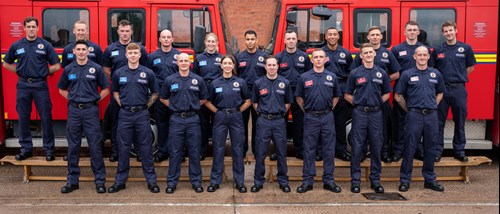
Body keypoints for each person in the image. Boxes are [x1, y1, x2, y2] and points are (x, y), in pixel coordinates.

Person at [3, 16, 61, 161]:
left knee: (46, 118)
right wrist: (19, 72)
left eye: (33, 26)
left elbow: (56, 65)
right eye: (28, 26)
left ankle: (49, 150)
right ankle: (26, 149)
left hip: (40, 85)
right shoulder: (17, 45)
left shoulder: (45, 45)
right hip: (23, 85)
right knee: (23, 117)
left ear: (38, 28)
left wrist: (45, 73)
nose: (31, 29)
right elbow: (6, 63)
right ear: (24, 28)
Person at [57, 40, 109, 194]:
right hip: (74, 112)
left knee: (95, 147)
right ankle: (72, 181)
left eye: (83, 49)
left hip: (91, 112)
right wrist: (74, 99)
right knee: (73, 147)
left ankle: (100, 181)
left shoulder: (96, 68)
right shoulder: (68, 69)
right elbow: (61, 89)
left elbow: (106, 88)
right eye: (78, 49)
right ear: (74, 51)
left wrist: (94, 100)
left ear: (88, 51)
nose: (80, 52)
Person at [108, 43, 160, 193]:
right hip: (124, 114)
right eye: (130, 53)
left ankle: (151, 181)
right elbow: (115, 92)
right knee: (123, 148)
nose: (132, 55)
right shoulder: (119, 73)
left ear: (139, 55)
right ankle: (120, 181)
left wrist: (145, 107)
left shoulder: (148, 73)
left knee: (145, 148)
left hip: (142, 114)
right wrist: (122, 105)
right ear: (126, 55)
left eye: (135, 53)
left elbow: (155, 93)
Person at [394, 46, 445, 192]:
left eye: (424, 55)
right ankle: (405, 180)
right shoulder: (407, 74)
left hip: (431, 115)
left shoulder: (436, 74)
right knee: (409, 147)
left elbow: (440, 93)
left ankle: (429, 179)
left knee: (430, 148)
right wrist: (409, 110)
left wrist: (432, 106)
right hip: (414, 115)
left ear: (428, 57)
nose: (422, 57)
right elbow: (398, 96)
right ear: (414, 57)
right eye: (419, 55)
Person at [345, 43, 392, 193]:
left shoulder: (382, 73)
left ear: (374, 54)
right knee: (357, 147)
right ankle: (356, 180)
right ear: (361, 55)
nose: (368, 55)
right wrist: (358, 104)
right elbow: (347, 94)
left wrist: (378, 103)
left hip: (376, 113)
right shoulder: (355, 73)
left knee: (376, 146)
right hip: (360, 113)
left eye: (371, 52)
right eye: (365, 53)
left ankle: (375, 180)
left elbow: (387, 93)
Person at [102, 19, 150, 162]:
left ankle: (139, 152)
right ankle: (116, 152)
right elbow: (106, 69)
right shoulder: (110, 49)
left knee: (138, 125)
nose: (124, 34)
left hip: (137, 93)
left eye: (127, 31)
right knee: (116, 122)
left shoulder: (139, 49)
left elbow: (146, 69)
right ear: (118, 32)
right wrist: (120, 82)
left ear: (131, 32)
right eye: (122, 31)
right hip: (118, 92)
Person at [295, 49, 342, 193]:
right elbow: (299, 98)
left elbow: (336, 96)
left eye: (321, 57)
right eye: (316, 57)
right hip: (310, 117)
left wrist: (328, 110)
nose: (319, 59)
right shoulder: (304, 77)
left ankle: (329, 180)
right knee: (309, 150)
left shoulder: (332, 77)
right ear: (312, 60)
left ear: (326, 59)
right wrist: (309, 112)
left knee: (329, 149)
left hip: (327, 117)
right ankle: (307, 181)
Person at [161, 53, 208, 194]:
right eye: (180, 61)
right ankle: (172, 183)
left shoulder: (198, 80)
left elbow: (204, 98)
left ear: (190, 63)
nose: (183, 63)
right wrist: (174, 106)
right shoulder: (170, 80)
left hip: (193, 119)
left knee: (194, 151)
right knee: (175, 152)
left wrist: (193, 105)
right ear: (177, 63)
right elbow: (163, 98)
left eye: (185, 61)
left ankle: (196, 182)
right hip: (176, 119)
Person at [352, 26, 401, 163]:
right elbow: (353, 73)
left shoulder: (387, 54)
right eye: (372, 35)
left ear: (381, 37)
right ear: (368, 37)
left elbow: (397, 73)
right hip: (365, 99)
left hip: (381, 99)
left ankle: (384, 152)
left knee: (382, 128)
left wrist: (381, 81)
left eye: (377, 34)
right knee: (361, 130)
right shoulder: (361, 53)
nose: (374, 37)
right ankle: (361, 153)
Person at [205, 55, 251, 193]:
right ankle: (215, 181)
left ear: (233, 66)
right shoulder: (215, 83)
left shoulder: (240, 82)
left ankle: (239, 182)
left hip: (236, 117)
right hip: (220, 117)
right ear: (221, 65)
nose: (227, 65)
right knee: (218, 149)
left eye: (229, 63)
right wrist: (218, 112)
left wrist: (237, 111)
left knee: (237, 150)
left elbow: (248, 100)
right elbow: (207, 101)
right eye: (224, 63)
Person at [391, 21, 433, 162]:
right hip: (401, 90)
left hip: (420, 90)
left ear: (418, 32)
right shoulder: (397, 49)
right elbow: (393, 70)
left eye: (415, 30)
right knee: (399, 121)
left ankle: (418, 150)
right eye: (409, 30)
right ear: (405, 32)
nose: (412, 32)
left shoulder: (424, 49)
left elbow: (430, 69)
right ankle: (397, 150)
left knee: (419, 123)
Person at [435, 21, 476, 162]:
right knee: (439, 122)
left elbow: (471, 67)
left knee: (460, 121)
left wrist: (460, 77)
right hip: (442, 90)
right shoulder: (439, 50)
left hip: (459, 89)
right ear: (443, 33)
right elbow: (434, 70)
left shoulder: (465, 48)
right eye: (445, 31)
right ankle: (437, 151)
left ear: (456, 30)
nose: (448, 33)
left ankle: (459, 151)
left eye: (450, 30)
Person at [250, 56, 292, 193]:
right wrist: (264, 114)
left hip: (279, 121)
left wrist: (279, 114)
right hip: (263, 121)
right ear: (265, 67)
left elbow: (288, 102)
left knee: (281, 152)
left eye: (274, 65)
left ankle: (283, 181)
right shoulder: (258, 83)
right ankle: (258, 181)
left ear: (278, 67)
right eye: (269, 65)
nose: (272, 67)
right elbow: (255, 102)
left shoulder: (285, 83)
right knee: (260, 153)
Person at [275, 29, 312, 160]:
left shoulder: (305, 57)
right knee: (280, 123)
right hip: (282, 94)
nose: (291, 41)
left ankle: (300, 150)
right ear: (284, 40)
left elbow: (309, 76)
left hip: (299, 93)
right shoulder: (278, 57)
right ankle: (279, 151)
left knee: (299, 123)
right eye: (288, 38)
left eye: (293, 38)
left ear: (297, 40)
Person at [149, 29, 181, 163]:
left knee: (177, 125)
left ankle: (177, 152)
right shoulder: (153, 56)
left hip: (176, 96)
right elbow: (149, 76)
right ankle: (162, 152)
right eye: (164, 37)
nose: (166, 39)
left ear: (173, 39)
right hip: (160, 96)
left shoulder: (179, 56)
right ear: (160, 40)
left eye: (169, 37)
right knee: (162, 125)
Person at [322, 27, 354, 162]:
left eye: (335, 34)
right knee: (323, 123)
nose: (332, 37)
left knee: (340, 122)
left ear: (338, 36)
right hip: (324, 90)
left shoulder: (345, 53)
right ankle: (322, 151)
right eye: (330, 34)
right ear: (326, 37)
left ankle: (340, 151)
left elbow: (351, 73)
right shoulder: (321, 53)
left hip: (340, 90)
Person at [236, 30, 269, 156]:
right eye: (248, 39)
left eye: (252, 39)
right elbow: (236, 76)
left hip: (259, 95)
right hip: (243, 95)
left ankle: (257, 150)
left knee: (258, 123)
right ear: (245, 41)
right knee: (241, 123)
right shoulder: (239, 57)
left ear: (257, 40)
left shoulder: (264, 57)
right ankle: (242, 150)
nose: (250, 41)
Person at [193, 33, 224, 160]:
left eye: (213, 42)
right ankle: (202, 150)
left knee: (218, 125)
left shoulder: (222, 58)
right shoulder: (198, 58)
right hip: (203, 94)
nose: (211, 44)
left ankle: (218, 152)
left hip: (218, 94)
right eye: (208, 41)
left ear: (217, 43)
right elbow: (194, 76)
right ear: (205, 43)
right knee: (203, 124)